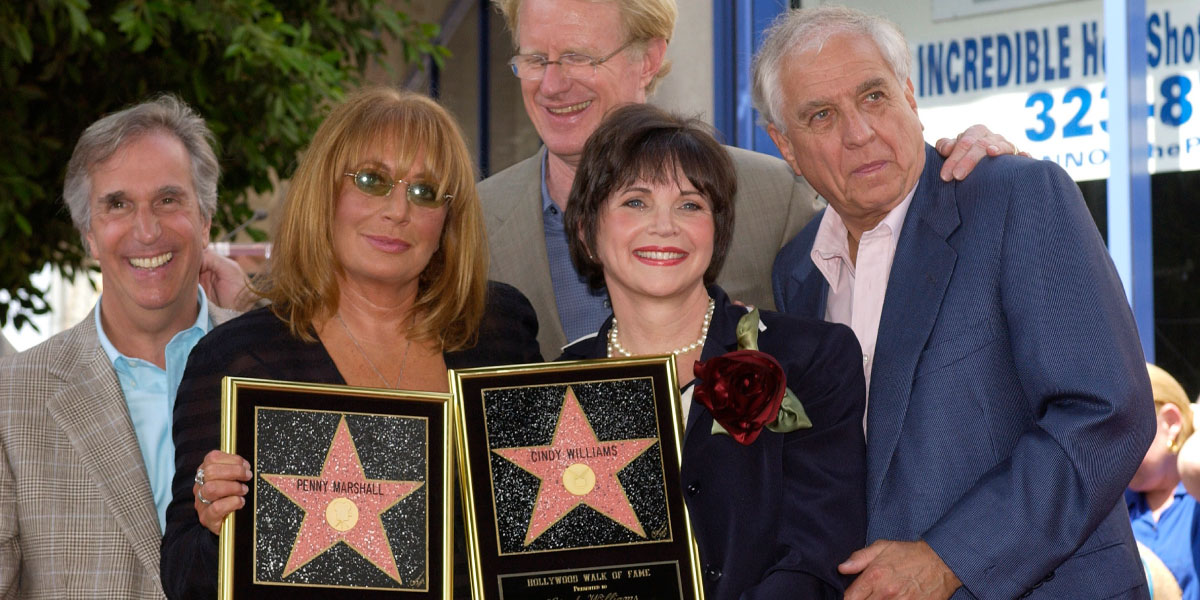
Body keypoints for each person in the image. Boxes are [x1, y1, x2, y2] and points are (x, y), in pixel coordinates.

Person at [758, 6, 1156, 599]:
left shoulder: (1015, 196)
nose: (860, 132)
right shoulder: (796, 274)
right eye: (822, 115)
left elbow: (1106, 413)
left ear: (910, 95)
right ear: (785, 146)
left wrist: (951, 559)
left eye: (873, 96)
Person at [159, 87, 542, 599]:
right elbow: (185, 579)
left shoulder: (499, 330)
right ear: (325, 192)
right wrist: (215, 522)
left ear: (448, 221)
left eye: (426, 191)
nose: (399, 210)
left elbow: (541, 536)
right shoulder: (237, 360)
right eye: (372, 180)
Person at [480, 0, 1019, 359]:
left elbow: (888, 287)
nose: (552, 83)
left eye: (577, 56)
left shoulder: (772, 198)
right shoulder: (472, 223)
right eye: (535, 59)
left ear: (649, 58)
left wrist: (960, 159)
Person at [558, 103, 866, 599]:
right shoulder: (551, 388)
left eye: (690, 205)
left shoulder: (811, 359)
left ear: (717, 231)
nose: (665, 225)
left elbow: (815, 559)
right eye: (635, 202)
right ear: (587, 232)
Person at [0, 95, 249, 598]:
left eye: (168, 199)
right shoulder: (13, 398)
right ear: (88, 233)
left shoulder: (275, 372)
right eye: (117, 204)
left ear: (205, 220)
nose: (146, 230)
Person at [1127, 363, 1198, 600]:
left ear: (1170, 422)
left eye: (1122, 427)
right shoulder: (1114, 506)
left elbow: (1194, 463)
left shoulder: (1193, 502)